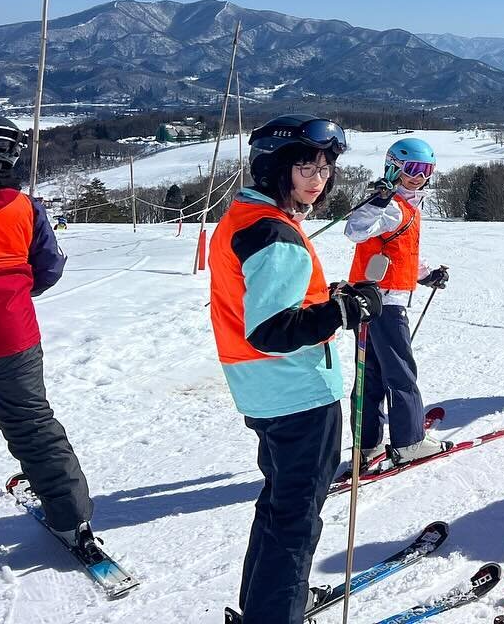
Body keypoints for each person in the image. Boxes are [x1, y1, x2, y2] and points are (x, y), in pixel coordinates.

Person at [209, 115, 383, 624]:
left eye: (325, 168)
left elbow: (263, 303)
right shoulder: (274, 233)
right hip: (297, 393)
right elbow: (271, 329)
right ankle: (277, 612)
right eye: (304, 166)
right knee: (297, 515)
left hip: (263, 390)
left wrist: (330, 301)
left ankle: (266, 605)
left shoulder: (244, 216)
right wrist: (341, 313)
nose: (317, 178)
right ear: (272, 168)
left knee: (278, 502)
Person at [0, 112, 100, 558]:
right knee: (34, 427)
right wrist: (12, 294)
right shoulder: (24, 207)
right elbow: (49, 269)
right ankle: (71, 517)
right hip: (13, 336)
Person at [342, 137, 449, 473]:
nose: (418, 176)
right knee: (400, 374)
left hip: (371, 301)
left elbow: (399, 254)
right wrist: (377, 201)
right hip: (384, 303)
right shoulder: (389, 205)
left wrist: (427, 274)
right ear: (394, 167)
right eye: (411, 169)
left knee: (371, 377)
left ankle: (367, 446)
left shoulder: (404, 207)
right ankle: (410, 442)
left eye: (425, 170)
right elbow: (355, 229)